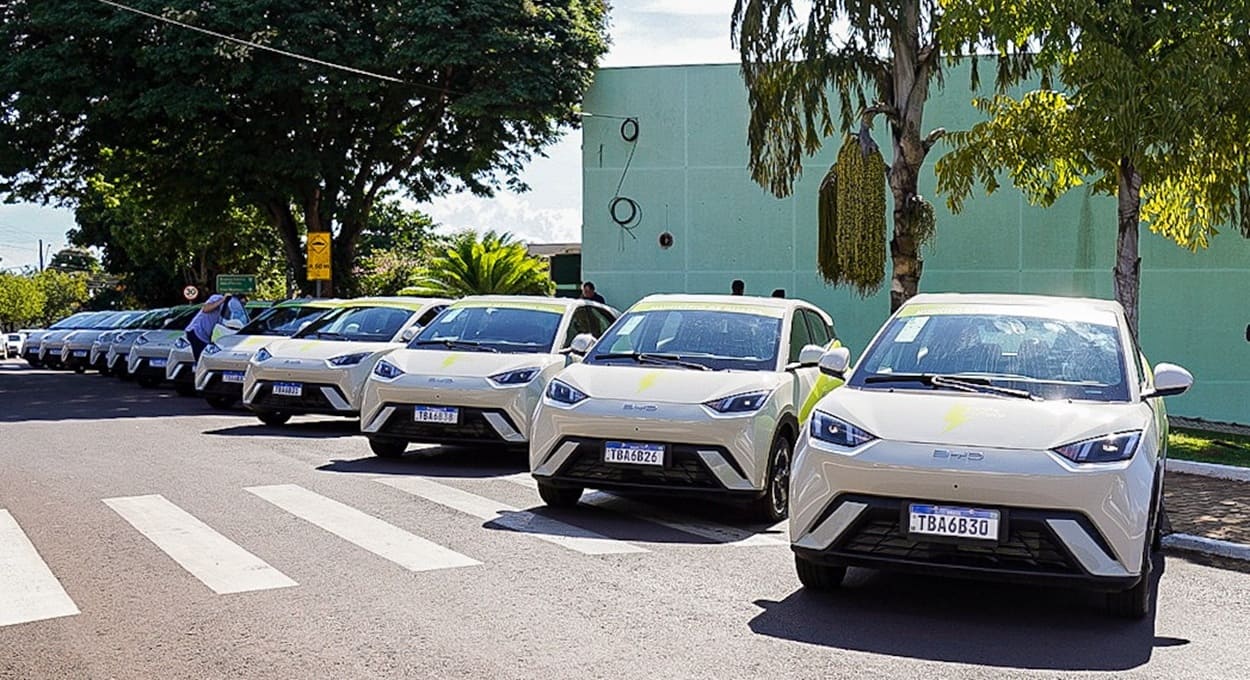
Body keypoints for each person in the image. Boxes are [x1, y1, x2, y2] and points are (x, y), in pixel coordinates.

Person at [185, 292, 230, 361]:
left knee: (204, 358)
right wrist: (223, 300)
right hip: (197, 331)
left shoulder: (226, 308)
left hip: (204, 336)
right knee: (203, 359)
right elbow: (205, 309)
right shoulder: (217, 297)